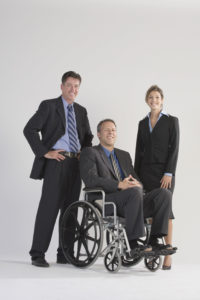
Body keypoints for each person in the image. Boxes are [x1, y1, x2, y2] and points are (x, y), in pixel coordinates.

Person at [24, 71, 93, 267]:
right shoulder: (49, 106)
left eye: (77, 86)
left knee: (70, 209)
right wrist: (45, 152)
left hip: (75, 164)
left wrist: (84, 152)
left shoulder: (81, 110)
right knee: (49, 208)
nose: (73, 89)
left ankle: (65, 253)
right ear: (62, 87)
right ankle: (37, 253)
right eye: (69, 85)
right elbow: (29, 129)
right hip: (57, 162)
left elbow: (87, 136)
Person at [80, 119, 173, 257]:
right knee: (134, 192)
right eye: (107, 130)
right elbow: (91, 180)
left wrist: (138, 184)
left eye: (113, 130)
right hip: (106, 201)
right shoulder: (90, 152)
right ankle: (133, 242)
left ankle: (154, 240)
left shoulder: (124, 155)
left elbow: (136, 179)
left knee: (164, 193)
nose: (111, 132)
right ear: (99, 134)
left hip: (132, 200)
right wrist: (120, 185)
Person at [134, 85, 179, 270]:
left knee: (166, 212)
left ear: (162, 100)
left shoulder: (171, 121)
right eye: (151, 97)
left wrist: (169, 172)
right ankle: (153, 251)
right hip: (145, 173)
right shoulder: (142, 123)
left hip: (164, 174)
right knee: (151, 212)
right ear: (147, 100)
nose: (154, 100)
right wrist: (136, 176)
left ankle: (167, 255)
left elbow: (174, 149)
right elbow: (139, 152)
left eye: (157, 97)